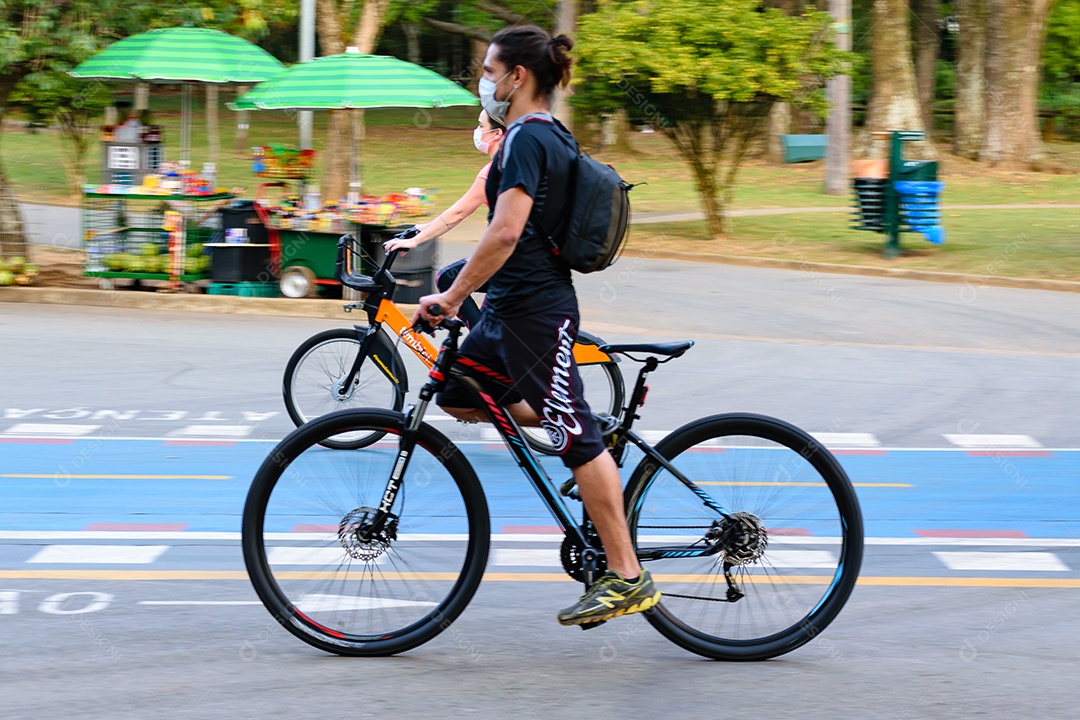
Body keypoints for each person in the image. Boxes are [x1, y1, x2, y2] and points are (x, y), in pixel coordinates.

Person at [413, 25, 660, 627]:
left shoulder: (527, 138)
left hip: (534, 311)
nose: (485, 83)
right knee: (459, 393)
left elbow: (505, 231)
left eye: (490, 72)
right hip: (507, 310)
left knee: (571, 437)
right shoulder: (547, 134)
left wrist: (450, 295)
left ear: (517, 77)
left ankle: (627, 575)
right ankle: (588, 425)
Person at [384, 110, 507, 328]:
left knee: (447, 278)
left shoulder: (494, 171)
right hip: (527, 258)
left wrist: (414, 241)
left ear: (496, 133)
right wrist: (425, 227)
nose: (476, 131)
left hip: (509, 258)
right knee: (490, 318)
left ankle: (482, 344)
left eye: (480, 126)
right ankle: (490, 346)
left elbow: (458, 213)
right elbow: (455, 212)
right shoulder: (513, 163)